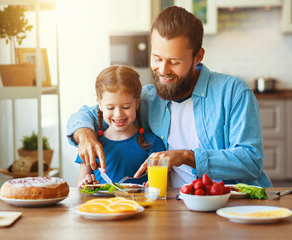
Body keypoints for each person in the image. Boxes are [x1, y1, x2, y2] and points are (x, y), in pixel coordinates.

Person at [67, 6, 272, 188]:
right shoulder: (147, 97)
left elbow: (251, 161)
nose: (162, 70)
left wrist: (186, 156)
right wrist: (85, 135)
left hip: (228, 206)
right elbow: (88, 114)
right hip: (172, 208)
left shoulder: (233, 92)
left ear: (198, 56)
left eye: (174, 62)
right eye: (157, 58)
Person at [75, 65, 165, 187]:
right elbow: (80, 189)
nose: (118, 114)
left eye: (126, 107)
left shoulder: (152, 142)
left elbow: (163, 187)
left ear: (137, 103)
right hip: (102, 205)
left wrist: (153, 187)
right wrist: (87, 184)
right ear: (100, 104)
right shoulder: (91, 145)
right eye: (110, 107)